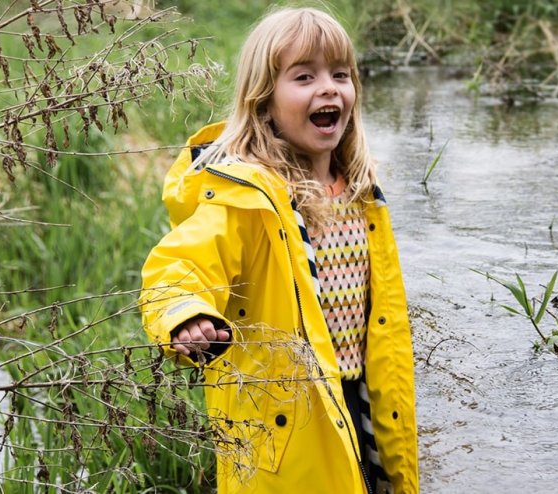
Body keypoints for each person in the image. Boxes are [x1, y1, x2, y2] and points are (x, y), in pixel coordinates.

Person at [140, 6, 418, 494]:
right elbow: (180, 263)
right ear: (264, 100)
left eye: (340, 74)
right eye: (304, 76)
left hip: (360, 402)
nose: (329, 88)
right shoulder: (246, 199)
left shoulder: (361, 194)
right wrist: (184, 313)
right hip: (289, 421)